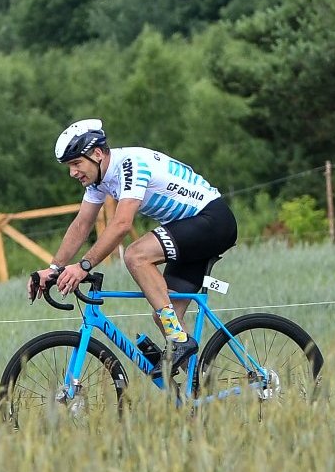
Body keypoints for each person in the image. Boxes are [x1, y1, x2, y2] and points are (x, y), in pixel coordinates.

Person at [31, 119, 237, 370]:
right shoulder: (98, 181)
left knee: (136, 255)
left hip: (211, 221)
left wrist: (83, 266)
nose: (72, 172)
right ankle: (201, 389)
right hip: (187, 231)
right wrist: (54, 269)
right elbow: (81, 225)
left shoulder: (130, 165)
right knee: (164, 315)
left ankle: (179, 339)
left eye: (76, 163)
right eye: (69, 166)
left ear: (97, 154)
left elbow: (121, 224)